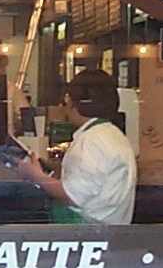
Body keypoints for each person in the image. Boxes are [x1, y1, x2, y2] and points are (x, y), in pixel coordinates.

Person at [15, 68, 136, 225]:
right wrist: (49, 174)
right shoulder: (114, 135)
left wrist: (35, 176)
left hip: (86, 232)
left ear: (75, 104)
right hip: (108, 231)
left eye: (67, 99)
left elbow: (73, 196)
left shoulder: (91, 140)